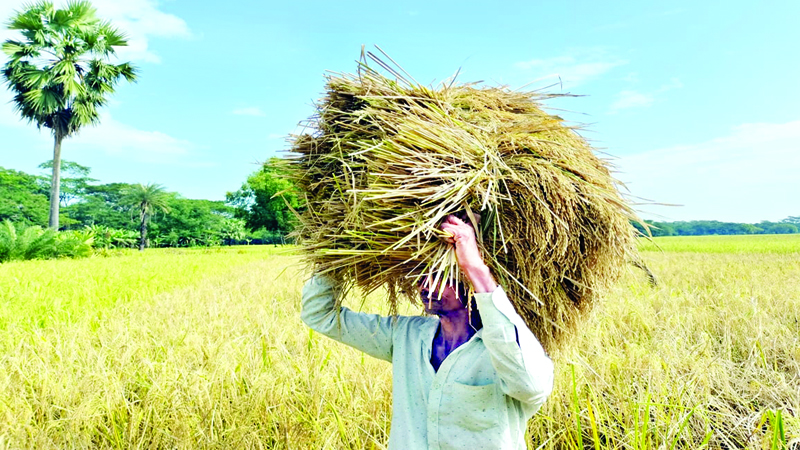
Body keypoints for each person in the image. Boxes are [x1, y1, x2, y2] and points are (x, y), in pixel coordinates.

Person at [301, 215, 554, 449]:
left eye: (439, 274)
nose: (424, 283)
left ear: (468, 279)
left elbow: (532, 387)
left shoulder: (507, 348)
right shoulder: (405, 336)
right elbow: (320, 314)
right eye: (422, 273)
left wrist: (476, 268)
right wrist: (332, 248)